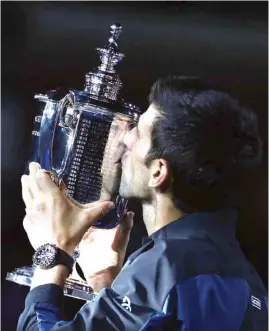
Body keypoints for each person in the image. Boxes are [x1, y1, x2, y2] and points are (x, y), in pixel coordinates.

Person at [18, 76, 268, 330]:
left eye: (139, 132)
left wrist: (53, 250)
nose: (126, 139)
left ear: (158, 172)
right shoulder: (248, 279)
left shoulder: (166, 266)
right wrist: (109, 284)